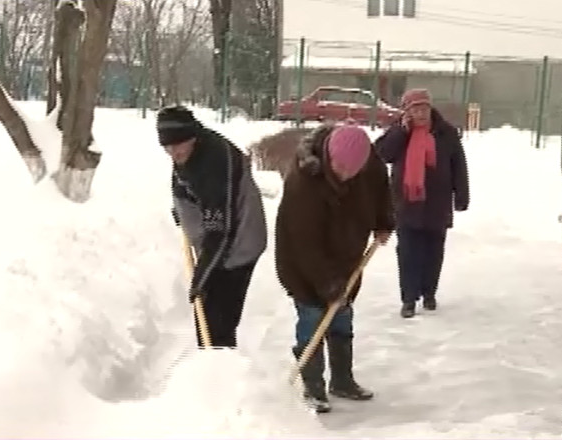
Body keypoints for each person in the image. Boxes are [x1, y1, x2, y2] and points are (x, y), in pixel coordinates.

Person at [274, 122, 394, 413]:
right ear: (328, 155)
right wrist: (329, 286)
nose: (345, 174)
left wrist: (384, 221)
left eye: (352, 170)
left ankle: (342, 380)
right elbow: (306, 245)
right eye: (339, 168)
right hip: (302, 264)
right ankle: (313, 386)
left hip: (346, 255)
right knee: (313, 317)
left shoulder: (369, 164)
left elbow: (381, 189)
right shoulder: (304, 181)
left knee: (341, 317)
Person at [159, 105, 267, 348]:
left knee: (217, 323)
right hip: (216, 242)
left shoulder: (214, 162)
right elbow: (189, 187)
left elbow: (221, 229)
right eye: (167, 146)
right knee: (206, 317)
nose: (172, 152)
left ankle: (221, 375)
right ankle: (212, 367)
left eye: (177, 144)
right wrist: (184, 209)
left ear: (192, 136)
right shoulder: (189, 151)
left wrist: (202, 277)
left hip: (239, 245)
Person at [374, 89, 470, 318]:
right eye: (415, 109)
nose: (421, 113)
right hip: (406, 204)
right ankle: (408, 298)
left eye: (424, 108)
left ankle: (429, 292)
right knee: (407, 253)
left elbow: (459, 165)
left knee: (433, 252)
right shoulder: (399, 133)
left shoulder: (446, 133)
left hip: (438, 202)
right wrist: (401, 132)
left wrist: (462, 196)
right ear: (406, 111)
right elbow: (382, 154)